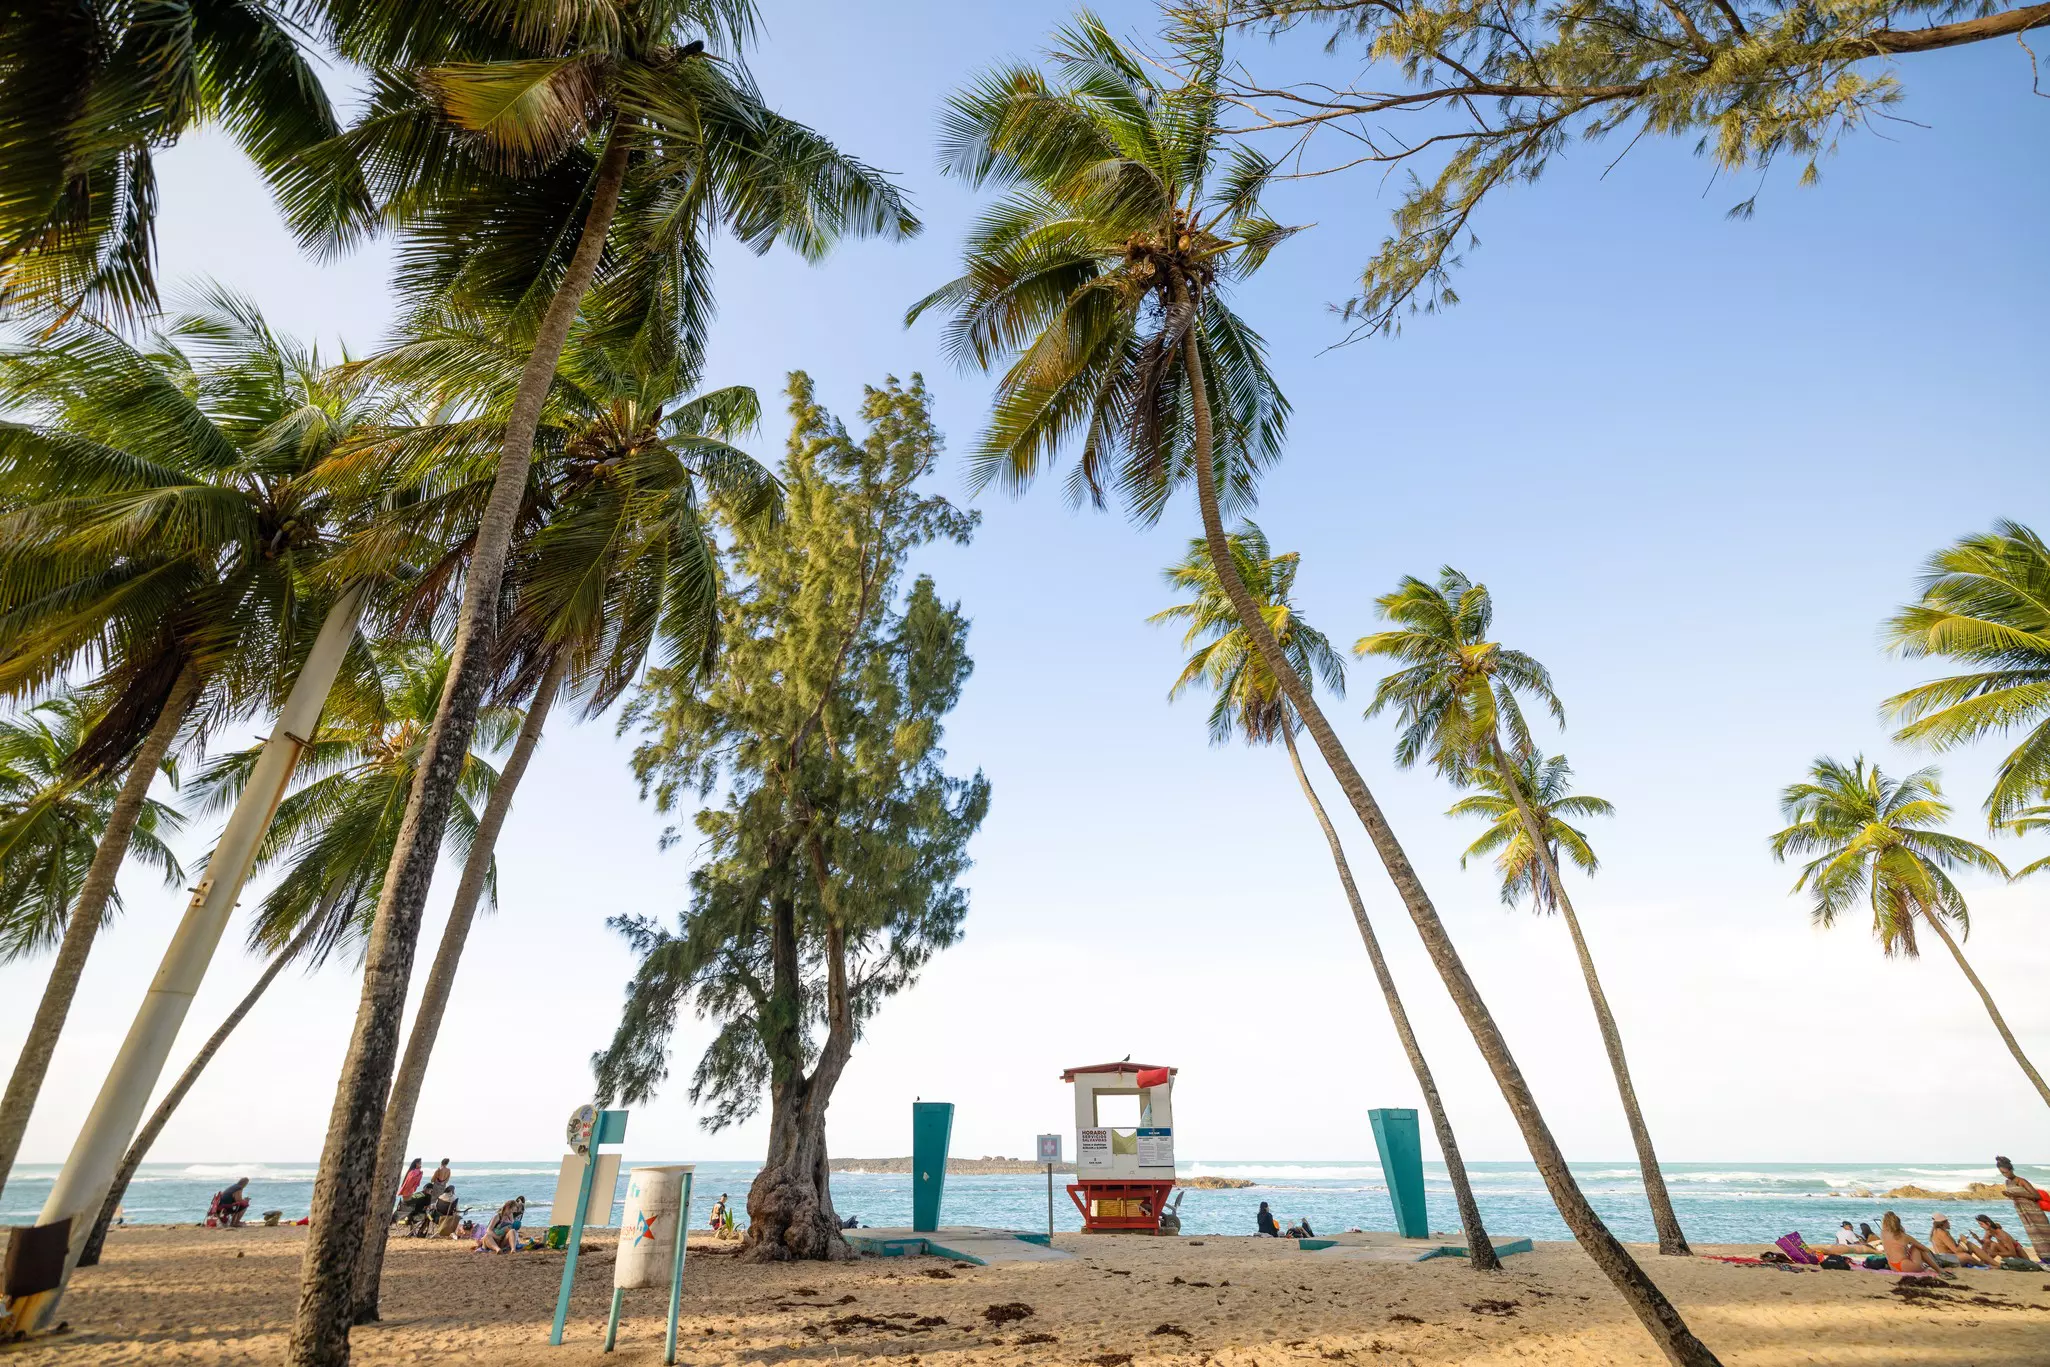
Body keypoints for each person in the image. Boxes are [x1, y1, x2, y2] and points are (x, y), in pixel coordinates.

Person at [1996, 1156, 2049, 1264]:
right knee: (2034, 1236)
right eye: (2002, 1173)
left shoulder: (2021, 1181)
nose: (2005, 1175)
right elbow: (2016, 1196)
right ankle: (2045, 1259)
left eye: (2006, 1172)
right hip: (2023, 1212)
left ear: (2011, 1169)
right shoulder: (2007, 1182)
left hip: (2033, 1210)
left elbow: (2036, 1195)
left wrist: (2017, 1194)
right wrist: (2009, 1195)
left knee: (2044, 1235)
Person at [1879, 1211, 1952, 1278]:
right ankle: (1939, 1270)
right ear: (1899, 1224)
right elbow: (1924, 1248)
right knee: (1916, 1247)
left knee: (1912, 1249)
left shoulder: (1883, 1234)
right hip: (1905, 1266)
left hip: (1893, 1267)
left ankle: (1937, 1267)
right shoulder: (1904, 1236)